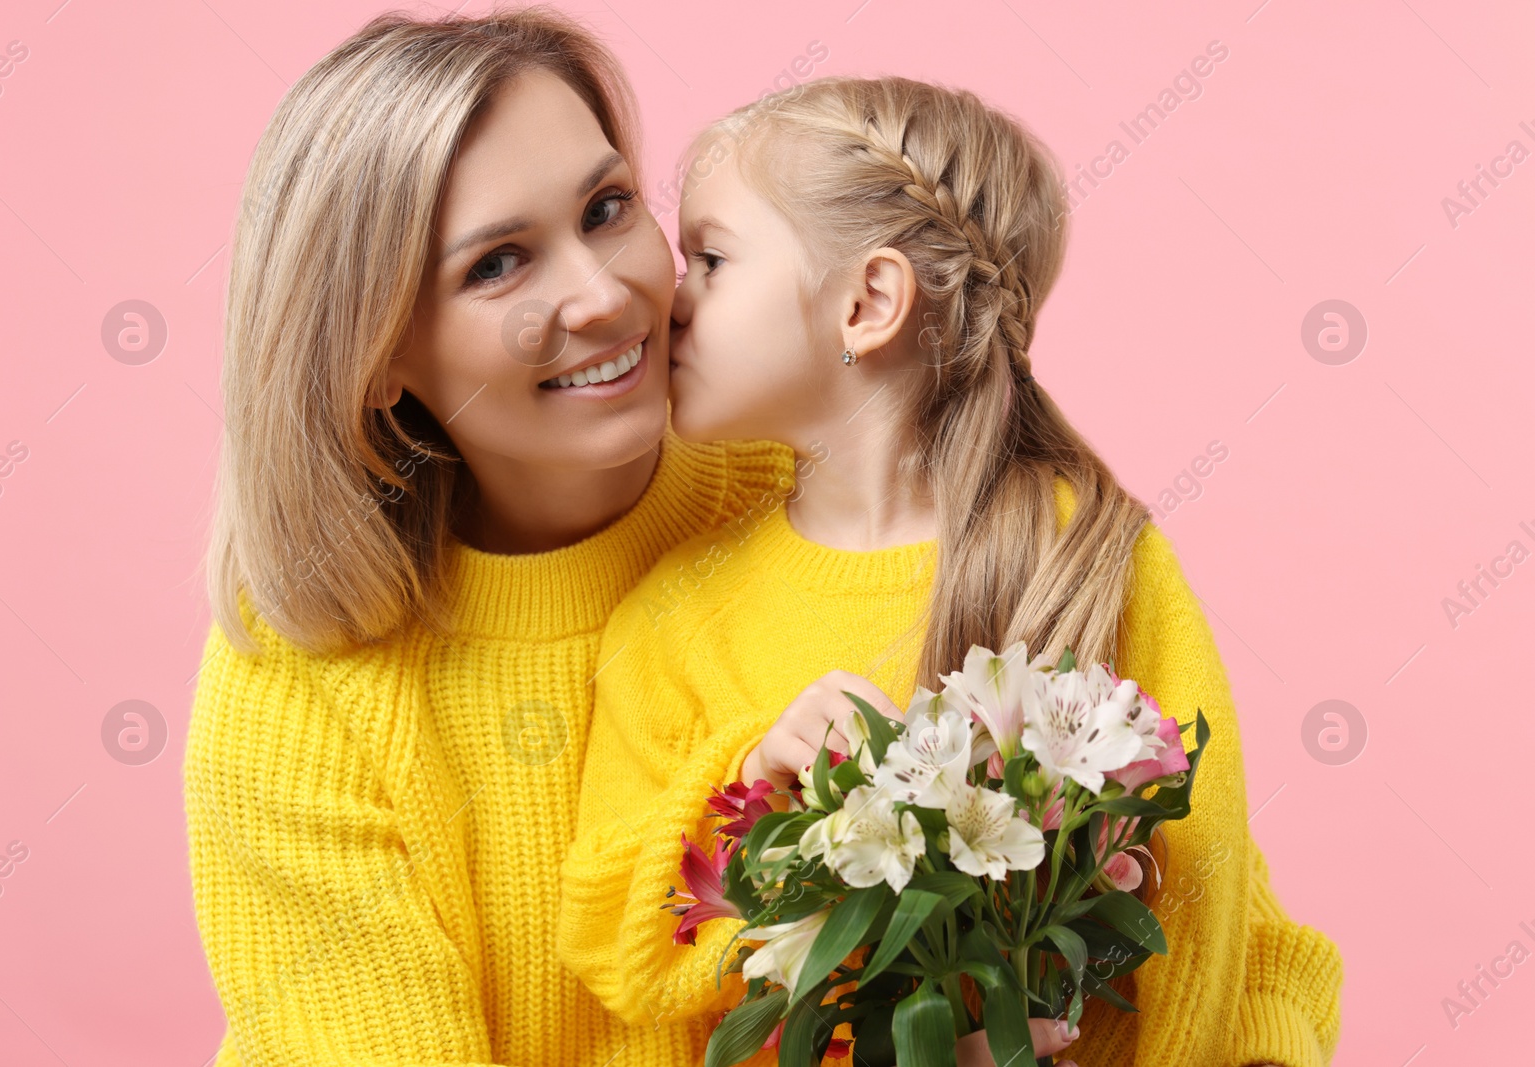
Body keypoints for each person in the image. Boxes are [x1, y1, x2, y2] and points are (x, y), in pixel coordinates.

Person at [558, 75, 1343, 1067]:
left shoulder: (1089, 558)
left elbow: (1211, 900)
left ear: (868, 301)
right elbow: (619, 949)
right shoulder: (672, 617)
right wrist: (757, 779)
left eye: (711, 258)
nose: (669, 298)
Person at [181, 10, 792, 1066]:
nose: (603, 297)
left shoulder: (824, 480)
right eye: (499, 264)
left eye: (607, 208)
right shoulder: (303, 690)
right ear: (373, 354)